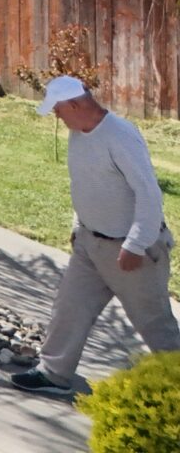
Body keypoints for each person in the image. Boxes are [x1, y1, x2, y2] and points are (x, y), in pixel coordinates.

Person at [10, 75, 180, 396]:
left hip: (132, 251)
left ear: (75, 104)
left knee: (155, 323)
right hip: (91, 244)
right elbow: (85, 185)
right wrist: (79, 226)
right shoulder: (79, 133)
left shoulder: (120, 136)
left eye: (58, 110)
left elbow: (148, 194)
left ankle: (176, 383)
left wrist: (136, 243)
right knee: (69, 308)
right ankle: (54, 373)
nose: (56, 117)